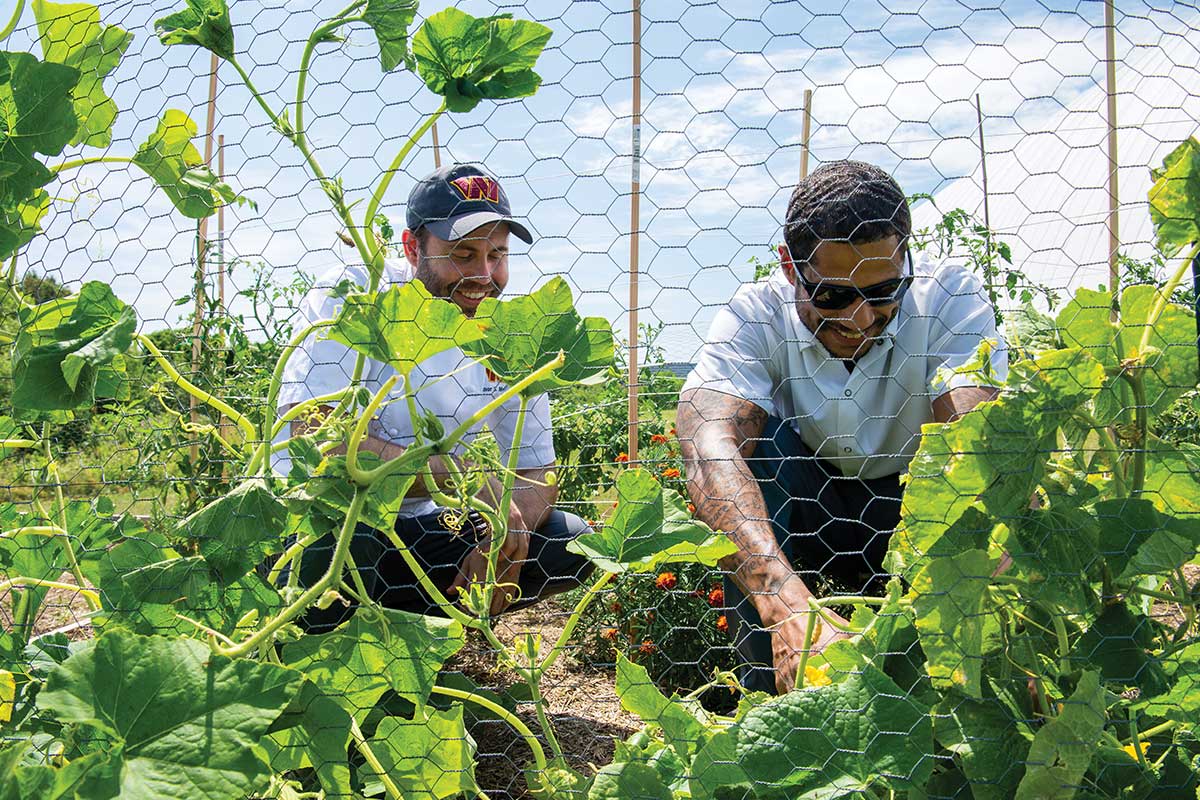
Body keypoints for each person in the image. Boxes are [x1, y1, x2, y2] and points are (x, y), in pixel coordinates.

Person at [677, 160, 1007, 694]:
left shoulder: (948, 296)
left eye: (882, 292)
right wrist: (784, 604)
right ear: (789, 267)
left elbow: (975, 435)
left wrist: (1001, 569)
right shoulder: (756, 315)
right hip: (808, 507)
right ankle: (770, 701)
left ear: (905, 256)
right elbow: (706, 444)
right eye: (832, 296)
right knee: (754, 457)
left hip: (911, 508)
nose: (859, 317)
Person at [275, 163, 594, 630]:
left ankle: (422, 638)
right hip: (323, 518)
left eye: (497, 255)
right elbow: (319, 439)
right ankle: (328, 655)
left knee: (567, 541)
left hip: (419, 528)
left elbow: (534, 468)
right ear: (411, 248)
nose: (484, 275)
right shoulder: (356, 293)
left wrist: (509, 529)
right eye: (463, 254)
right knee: (340, 541)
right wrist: (465, 479)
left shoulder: (507, 332)